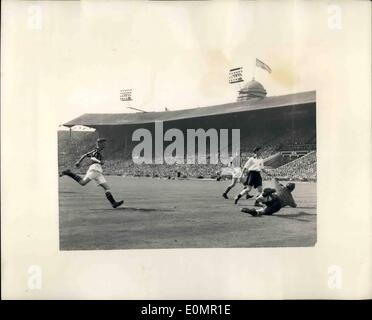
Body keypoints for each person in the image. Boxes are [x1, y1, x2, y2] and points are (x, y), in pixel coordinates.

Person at [59, 138, 124, 208]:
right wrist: (99, 162)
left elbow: (85, 155)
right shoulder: (97, 150)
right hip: (95, 169)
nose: (105, 144)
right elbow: (92, 158)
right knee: (83, 183)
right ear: (100, 143)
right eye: (104, 143)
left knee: (107, 188)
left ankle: (113, 203)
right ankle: (69, 173)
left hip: (98, 171)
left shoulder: (96, 150)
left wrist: (79, 161)